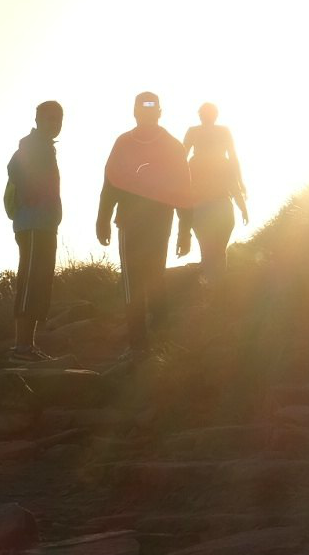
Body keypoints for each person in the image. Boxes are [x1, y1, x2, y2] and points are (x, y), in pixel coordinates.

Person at [97, 92, 193, 359]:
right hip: (136, 221)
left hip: (149, 221)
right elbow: (110, 182)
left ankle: (150, 344)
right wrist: (102, 218)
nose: (148, 113)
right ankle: (145, 344)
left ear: (159, 112)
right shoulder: (128, 143)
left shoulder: (170, 146)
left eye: (152, 109)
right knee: (142, 279)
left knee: (146, 279)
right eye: (144, 108)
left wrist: (185, 230)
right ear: (136, 113)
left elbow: (184, 189)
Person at [6, 100, 64, 363]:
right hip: (31, 223)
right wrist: (32, 193)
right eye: (50, 118)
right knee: (30, 281)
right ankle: (21, 348)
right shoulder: (31, 145)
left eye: (59, 119)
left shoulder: (45, 147)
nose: (55, 124)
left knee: (40, 282)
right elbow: (14, 168)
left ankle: (27, 346)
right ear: (39, 120)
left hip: (43, 224)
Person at [179, 102, 248, 281]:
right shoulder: (217, 151)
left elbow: (179, 159)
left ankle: (214, 288)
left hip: (208, 204)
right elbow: (233, 160)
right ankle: (216, 290)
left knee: (211, 250)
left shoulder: (196, 151)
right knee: (216, 251)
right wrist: (241, 194)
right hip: (214, 204)